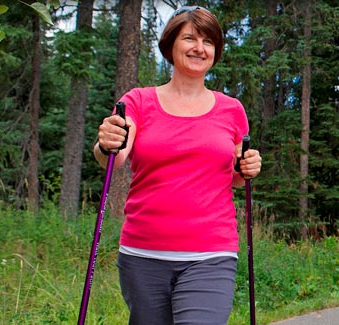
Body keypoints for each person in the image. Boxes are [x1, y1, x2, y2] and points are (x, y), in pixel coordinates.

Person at [92, 6, 261, 324]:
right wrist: (106, 143)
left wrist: (248, 166)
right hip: (143, 254)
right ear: (170, 45)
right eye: (190, 38)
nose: (200, 48)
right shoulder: (138, 101)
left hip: (211, 253)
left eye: (208, 41)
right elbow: (114, 157)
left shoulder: (231, 110)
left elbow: (236, 175)